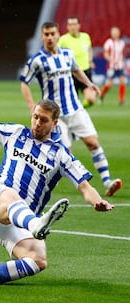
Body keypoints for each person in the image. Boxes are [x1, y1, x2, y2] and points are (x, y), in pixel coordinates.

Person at [0, 60, 114, 286]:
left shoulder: (61, 154)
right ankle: (35, 225)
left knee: (38, 259)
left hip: (18, 224)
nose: (37, 123)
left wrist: (97, 201)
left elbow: (84, 186)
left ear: (54, 123)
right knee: (12, 195)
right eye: (35, 116)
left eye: (43, 120)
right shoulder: (15, 133)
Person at [20, 22, 122, 197]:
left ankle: (107, 182)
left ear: (59, 35)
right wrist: (31, 106)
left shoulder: (67, 54)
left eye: (53, 33)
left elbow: (77, 71)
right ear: (42, 36)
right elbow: (24, 83)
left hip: (75, 109)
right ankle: (54, 186)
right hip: (55, 116)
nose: (50, 37)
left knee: (92, 142)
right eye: (46, 34)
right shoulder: (37, 60)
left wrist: (90, 84)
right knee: (65, 155)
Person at [59, 16, 97, 108]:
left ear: (79, 25)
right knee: (72, 102)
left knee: (91, 99)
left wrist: (90, 60)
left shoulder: (85, 36)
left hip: (85, 71)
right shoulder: (63, 39)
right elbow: (56, 53)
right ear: (67, 27)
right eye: (70, 24)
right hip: (71, 74)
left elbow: (89, 49)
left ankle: (81, 109)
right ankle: (78, 111)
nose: (72, 27)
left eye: (74, 24)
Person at [100, 26, 127, 105]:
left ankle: (121, 100)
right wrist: (111, 60)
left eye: (116, 31)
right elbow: (105, 54)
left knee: (122, 81)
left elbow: (122, 54)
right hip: (111, 67)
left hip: (120, 66)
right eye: (113, 32)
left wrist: (122, 63)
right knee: (110, 84)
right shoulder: (108, 42)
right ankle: (102, 95)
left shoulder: (121, 43)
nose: (115, 33)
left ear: (119, 33)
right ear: (111, 33)